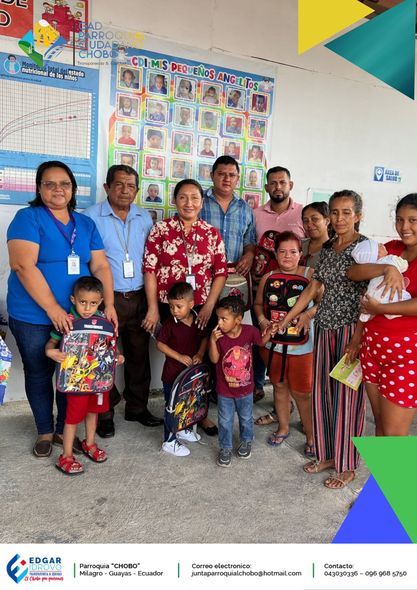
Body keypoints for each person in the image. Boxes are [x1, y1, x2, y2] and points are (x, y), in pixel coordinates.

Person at [7, 161, 116, 457]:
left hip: (80, 317)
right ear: (39, 188)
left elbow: (101, 265)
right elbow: (22, 265)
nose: (58, 189)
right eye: (50, 184)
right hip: (33, 315)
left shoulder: (85, 224)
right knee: (39, 372)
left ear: (73, 189)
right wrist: (53, 308)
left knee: (74, 373)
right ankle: (45, 430)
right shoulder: (27, 218)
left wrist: (109, 305)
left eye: (64, 184)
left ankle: (62, 429)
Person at [278, 190, 368, 489]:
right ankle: (328, 454)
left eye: (346, 212)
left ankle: (347, 464)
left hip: (350, 332)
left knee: (347, 401)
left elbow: (369, 299)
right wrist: (287, 319)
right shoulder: (328, 248)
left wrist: (357, 339)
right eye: (335, 212)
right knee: (322, 396)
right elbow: (313, 288)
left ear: (358, 216)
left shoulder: (365, 248)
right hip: (325, 329)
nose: (340, 218)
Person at [142, 179, 228, 436]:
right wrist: (153, 308)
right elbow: (149, 269)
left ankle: (200, 412)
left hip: (201, 306)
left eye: (194, 197)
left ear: (202, 202)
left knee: (202, 359)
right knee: (176, 358)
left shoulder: (211, 233)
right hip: (169, 305)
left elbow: (220, 272)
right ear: (174, 200)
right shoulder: (161, 229)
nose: (189, 203)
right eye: (183, 197)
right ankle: (175, 407)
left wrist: (209, 306)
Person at [84, 165, 162, 437]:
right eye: (118, 184)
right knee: (103, 357)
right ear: (107, 187)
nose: (125, 190)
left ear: (137, 190)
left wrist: (152, 303)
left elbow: (151, 260)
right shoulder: (90, 217)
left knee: (139, 357)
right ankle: (105, 412)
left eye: (130, 186)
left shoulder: (144, 217)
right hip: (107, 299)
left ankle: (137, 408)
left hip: (139, 296)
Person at [347, 193, 417, 437]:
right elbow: (354, 272)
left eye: (413, 220)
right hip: (373, 349)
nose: (405, 227)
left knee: (394, 434)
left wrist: (381, 309)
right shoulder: (393, 249)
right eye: (400, 220)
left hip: (406, 355)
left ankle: (395, 467)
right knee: (380, 426)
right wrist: (387, 268)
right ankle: (380, 466)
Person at [45, 277, 124, 475]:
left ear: (101, 302)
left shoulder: (105, 322)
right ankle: (66, 456)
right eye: (82, 302)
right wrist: (50, 352)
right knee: (72, 419)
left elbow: (109, 346)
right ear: (73, 300)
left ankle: (89, 444)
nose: (88, 308)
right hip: (76, 381)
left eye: (93, 303)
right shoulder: (67, 322)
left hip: (98, 380)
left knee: (93, 413)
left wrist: (117, 356)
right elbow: (51, 344)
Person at [254, 232, 317, 457]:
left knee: (303, 393)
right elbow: (258, 304)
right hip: (274, 345)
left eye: (293, 251)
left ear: (301, 254)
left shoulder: (311, 275)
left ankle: (311, 436)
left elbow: (324, 302)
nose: (287, 256)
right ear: (275, 253)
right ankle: (283, 427)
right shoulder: (268, 277)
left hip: (302, 347)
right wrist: (263, 321)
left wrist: (308, 314)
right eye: (282, 251)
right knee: (279, 387)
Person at [252, 166, 306, 402]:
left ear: (290, 185)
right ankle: (259, 385)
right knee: (263, 339)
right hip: (265, 288)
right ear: (266, 187)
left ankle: (291, 397)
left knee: (295, 344)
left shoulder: (303, 213)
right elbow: (252, 246)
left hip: (298, 293)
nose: (278, 187)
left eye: (282, 182)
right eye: (273, 183)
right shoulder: (256, 214)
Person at [209, 296, 273, 467]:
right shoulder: (218, 336)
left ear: (238, 319)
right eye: (218, 318)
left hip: (245, 389)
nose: (219, 322)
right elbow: (214, 359)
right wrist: (212, 341)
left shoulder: (250, 331)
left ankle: (246, 440)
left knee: (246, 418)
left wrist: (270, 332)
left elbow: (260, 342)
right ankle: (225, 447)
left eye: (224, 319)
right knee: (225, 420)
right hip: (224, 390)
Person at [156, 282, 208, 456]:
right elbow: (160, 344)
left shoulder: (198, 320)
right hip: (172, 375)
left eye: (179, 306)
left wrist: (200, 353)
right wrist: (179, 357)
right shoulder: (170, 323)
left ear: (191, 304)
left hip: (191, 375)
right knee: (172, 407)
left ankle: (182, 430)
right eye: (171, 307)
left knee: (187, 405)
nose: (174, 310)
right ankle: (169, 441)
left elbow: (205, 338)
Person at [201, 156, 256, 273]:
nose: (227, 179)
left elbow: (249, 241)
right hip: (203, 273)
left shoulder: (245, 209)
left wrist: (249, 254)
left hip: (234, 274)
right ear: (212, 175)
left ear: (237, 179)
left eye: (232, 175)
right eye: (221, 174)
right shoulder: (198, 202)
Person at [351, 238, 410, 321]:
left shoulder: (372, 267)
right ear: (377, 254)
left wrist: (378, 308)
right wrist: (392, 268)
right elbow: (404, 264)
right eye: (379, 245)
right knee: (403, 297)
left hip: (375, 296)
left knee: (369, 296)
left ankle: (365, 316)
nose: (382, 244)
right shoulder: (390, 258)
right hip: (391, 303)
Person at [300, 202, 331, 269]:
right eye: (305, 221)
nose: (309, 224)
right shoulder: (298, 245)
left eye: (315, 219)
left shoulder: (334, 250)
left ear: (327, 221)